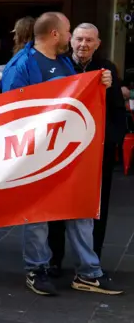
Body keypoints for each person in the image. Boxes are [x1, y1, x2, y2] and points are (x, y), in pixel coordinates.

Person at [1, 12, 123, 296]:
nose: (72, 38)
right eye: (69, 32)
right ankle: (37, 268)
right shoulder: (21, 66)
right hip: (37, 155)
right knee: (38, 214)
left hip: (67, 154)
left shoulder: (65, 62)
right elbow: (8, 114)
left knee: (78, 209)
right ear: (55, 34)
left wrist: (101, 83)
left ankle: (88, 271)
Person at [47, 23, 127, 276]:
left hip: (96, 152)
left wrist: (111, 142)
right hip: (62, 150)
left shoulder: (106, 70)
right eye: (79, 39)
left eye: (89, 40)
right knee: (56, 205)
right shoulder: (58, 65)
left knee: (96, 207)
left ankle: (93, 258)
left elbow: (117, 111)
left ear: (98, 43)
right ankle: (53, 260)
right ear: (71, 41)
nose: (83, 45)